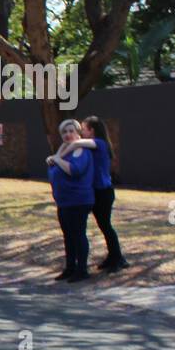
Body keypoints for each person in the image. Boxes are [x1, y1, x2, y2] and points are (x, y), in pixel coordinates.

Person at [59, 116, 129, 272]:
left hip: (103, 191)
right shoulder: (94, 146)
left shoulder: (100, 143)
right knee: (103, 225)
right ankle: (113, 256)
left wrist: (59, 156)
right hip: (97, 191)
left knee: (106, 225)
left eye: (83, 129)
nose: (81, 132)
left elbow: (76, 142)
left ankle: (118, 258)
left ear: (92, 130)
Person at [45, 119, 95, 283]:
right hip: (63, 201)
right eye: (64, 132)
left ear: (78, 132)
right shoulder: (63, 152)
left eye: (71, 131)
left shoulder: (81, 150)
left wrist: (57, 160)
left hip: (79, 200)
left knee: (78, 234)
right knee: (68, 235)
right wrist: (54, 160)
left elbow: (75, 170)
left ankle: (82, 270)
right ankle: (70, 268)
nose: (67, 134)